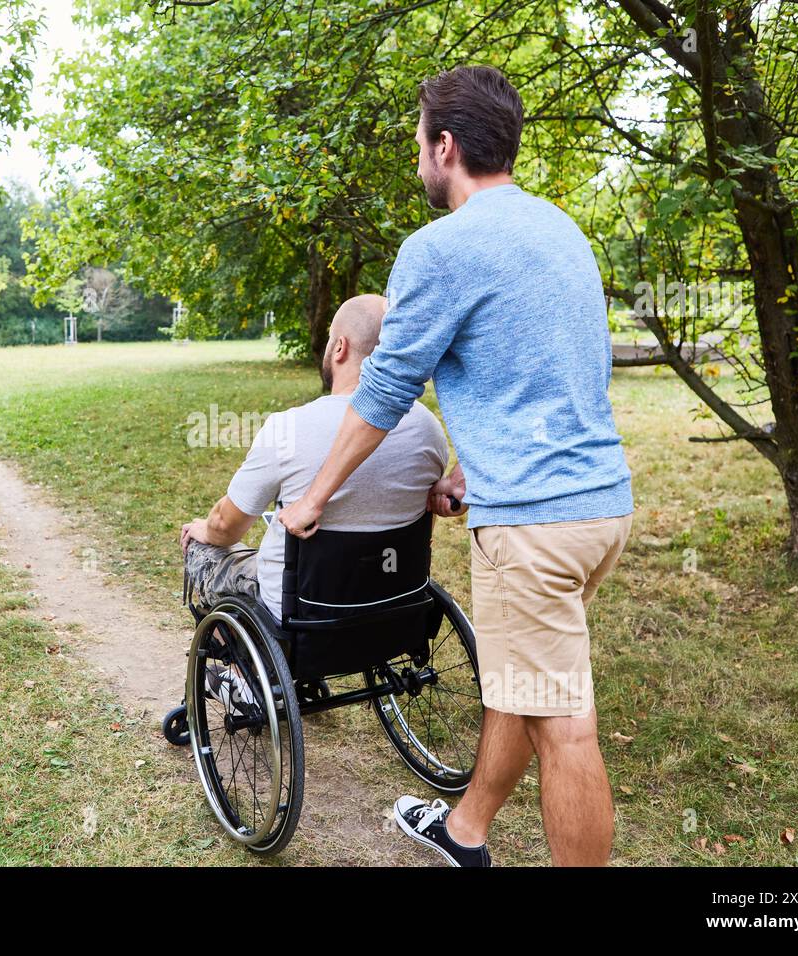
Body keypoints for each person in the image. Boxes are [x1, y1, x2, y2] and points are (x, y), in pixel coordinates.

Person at [277, 65, 633, 868]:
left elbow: (383, 391)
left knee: (565, 725)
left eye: (418, 146)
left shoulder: (440, 250)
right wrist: (475, 469)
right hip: (600, 508)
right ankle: (465, 831)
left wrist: (313, 497)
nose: (418, 163)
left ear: (445, 146)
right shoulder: (560, 230)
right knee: (525, 681)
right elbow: (554, 369)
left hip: (537, 526)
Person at [178, 294, 447, 629]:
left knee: (205, 551)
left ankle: (237, 672)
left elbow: (226, 525)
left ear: (339, 348)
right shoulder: (428, 427)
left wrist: (203, 529)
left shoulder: (288, 427)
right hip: (396, 600)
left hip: (302, 610)